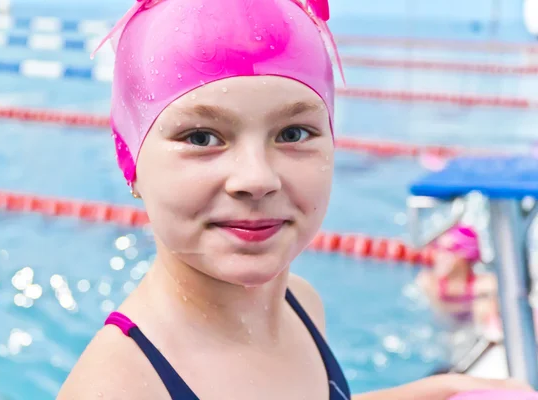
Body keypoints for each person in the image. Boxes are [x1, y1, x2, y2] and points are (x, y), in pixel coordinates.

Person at [58, 0, 533, 398]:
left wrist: (438, 390)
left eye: (293, 132)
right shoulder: (121, 385)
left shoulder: (299, 306)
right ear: (132, 162)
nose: (256, 178)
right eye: (202, 137)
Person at [417, 224, 498, 326]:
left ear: (466, 254)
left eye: (447, 250)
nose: (439, 256)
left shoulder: (486, 285)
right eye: (438, 249)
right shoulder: (429, 282)